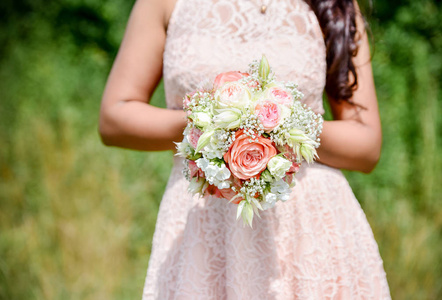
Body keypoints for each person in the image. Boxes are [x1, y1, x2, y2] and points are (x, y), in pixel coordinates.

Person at [99, 0, 391, 298]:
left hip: (309, 234)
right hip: (204, 228)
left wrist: (282, 124)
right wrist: (211, 122)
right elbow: (114, 117)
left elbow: (366, 144)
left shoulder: (334, 4)